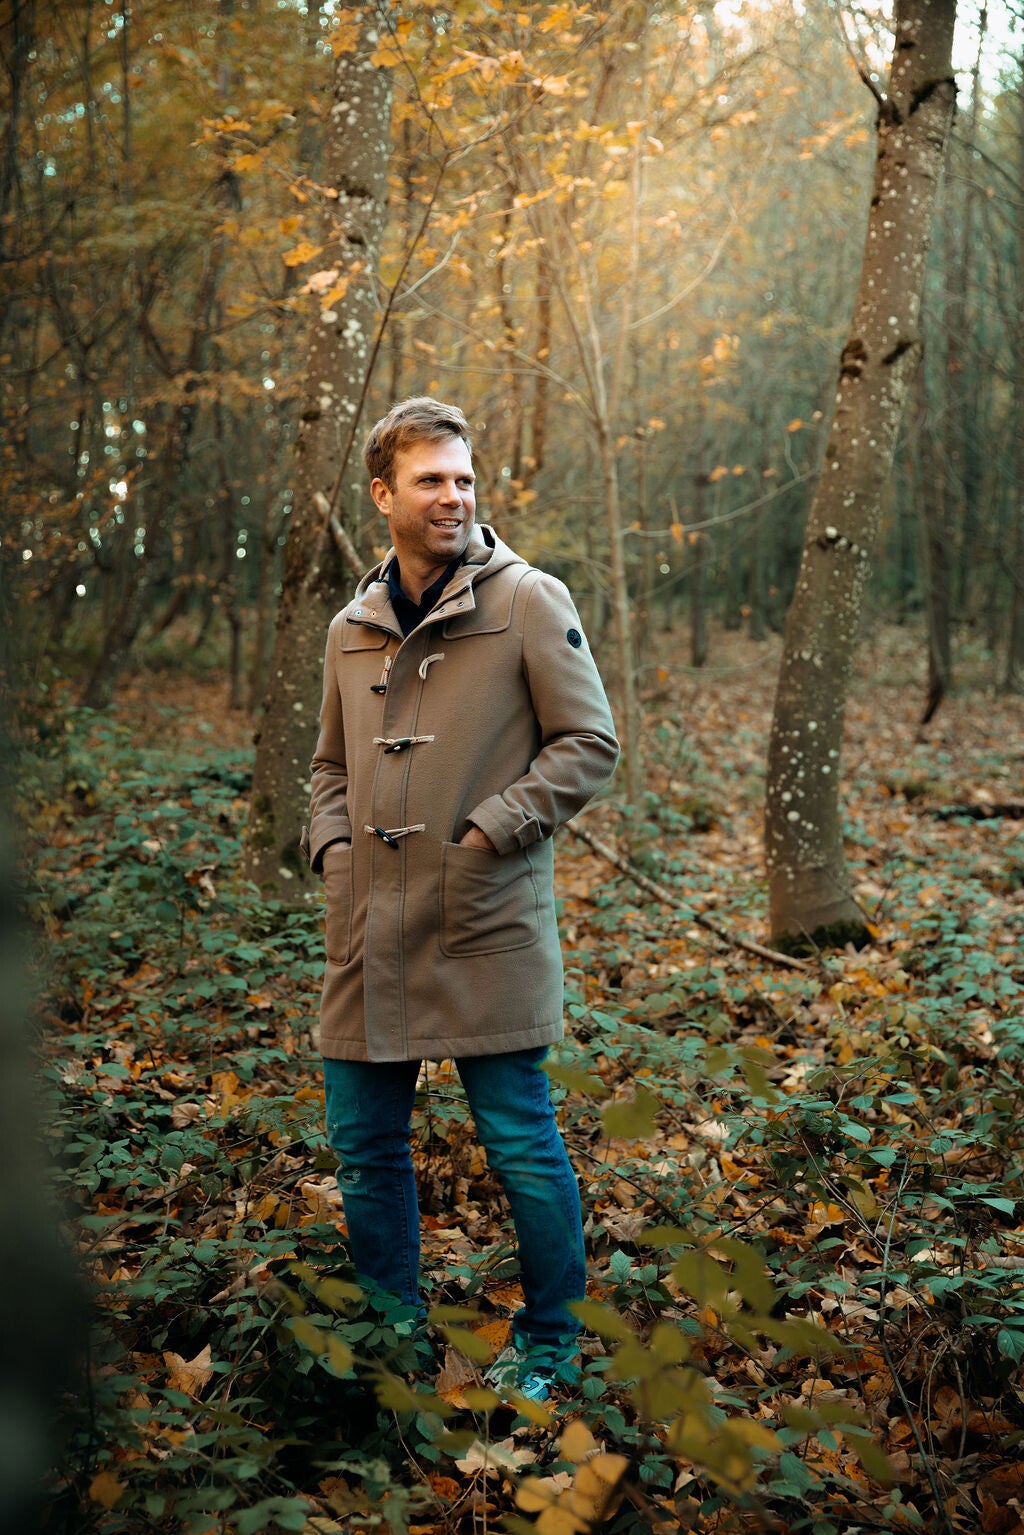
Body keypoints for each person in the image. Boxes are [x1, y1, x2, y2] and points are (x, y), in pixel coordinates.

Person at [303, 396, 619, 1400]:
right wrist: (334, 849)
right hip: (368, 924)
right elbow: (328, 767)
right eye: (431, 479)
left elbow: (589, 743)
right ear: (382, 493)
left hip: (485, 917)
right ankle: (391, 1336)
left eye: (465, 478)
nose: (454, 496)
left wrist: (492, 829)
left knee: (520, 1141)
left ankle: (550, 1340)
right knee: (364, 1147)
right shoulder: (350, 628)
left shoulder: (529, 599)